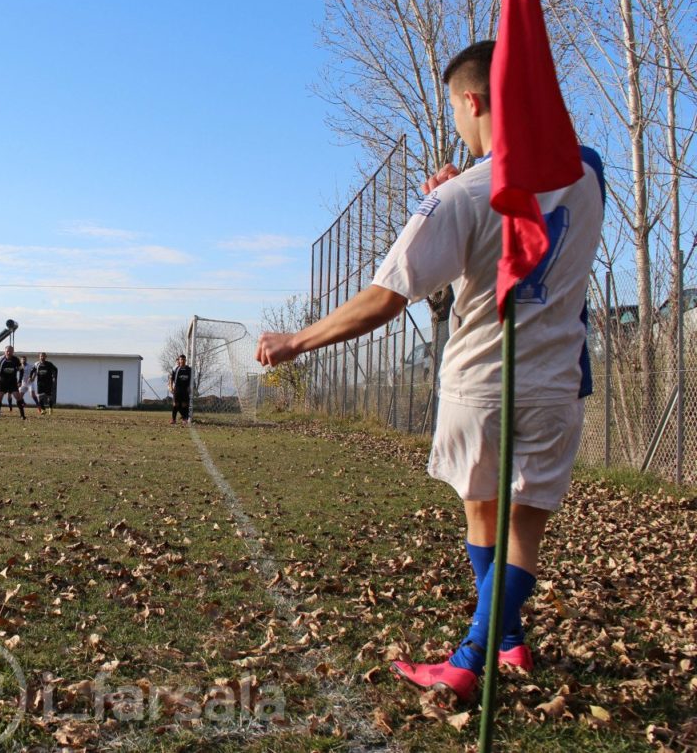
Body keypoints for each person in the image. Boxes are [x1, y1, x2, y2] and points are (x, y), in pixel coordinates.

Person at [255, 40, 604, 701]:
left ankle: (469, 658)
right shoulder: (590, 174)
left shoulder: (463, 196)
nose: (456, 123)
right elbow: (549, 175)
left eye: (455, 109)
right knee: (521, 527)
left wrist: (298, 340)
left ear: (472, 101)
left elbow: (386, 297)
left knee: (483, 515)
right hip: (558, 383)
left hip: (482, 385)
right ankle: (508, 640)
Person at [0, 345, 25, 420]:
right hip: (3, 382)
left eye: (11, 351)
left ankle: (22, 415)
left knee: (18, 397)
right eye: (7, 351)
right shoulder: (0, 359)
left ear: (13, 352)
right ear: (5, 352)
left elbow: (21, 370)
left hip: (12, 382)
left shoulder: (16, 360)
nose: (9, 353)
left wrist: (20, 381)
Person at [168, 354, 192, 425]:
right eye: (181, 359)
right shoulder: (176, 369)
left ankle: (185, 419)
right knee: (176, 404)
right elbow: (171, 378)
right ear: (179, 360)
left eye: (184, 359)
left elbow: (191, 379)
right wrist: (171, 386)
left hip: (185, 389)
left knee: (184, 405)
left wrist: (190, 387)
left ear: (185, 360)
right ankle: (173, 419)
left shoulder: (188, 369)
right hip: (177, 388)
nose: (182, 361)